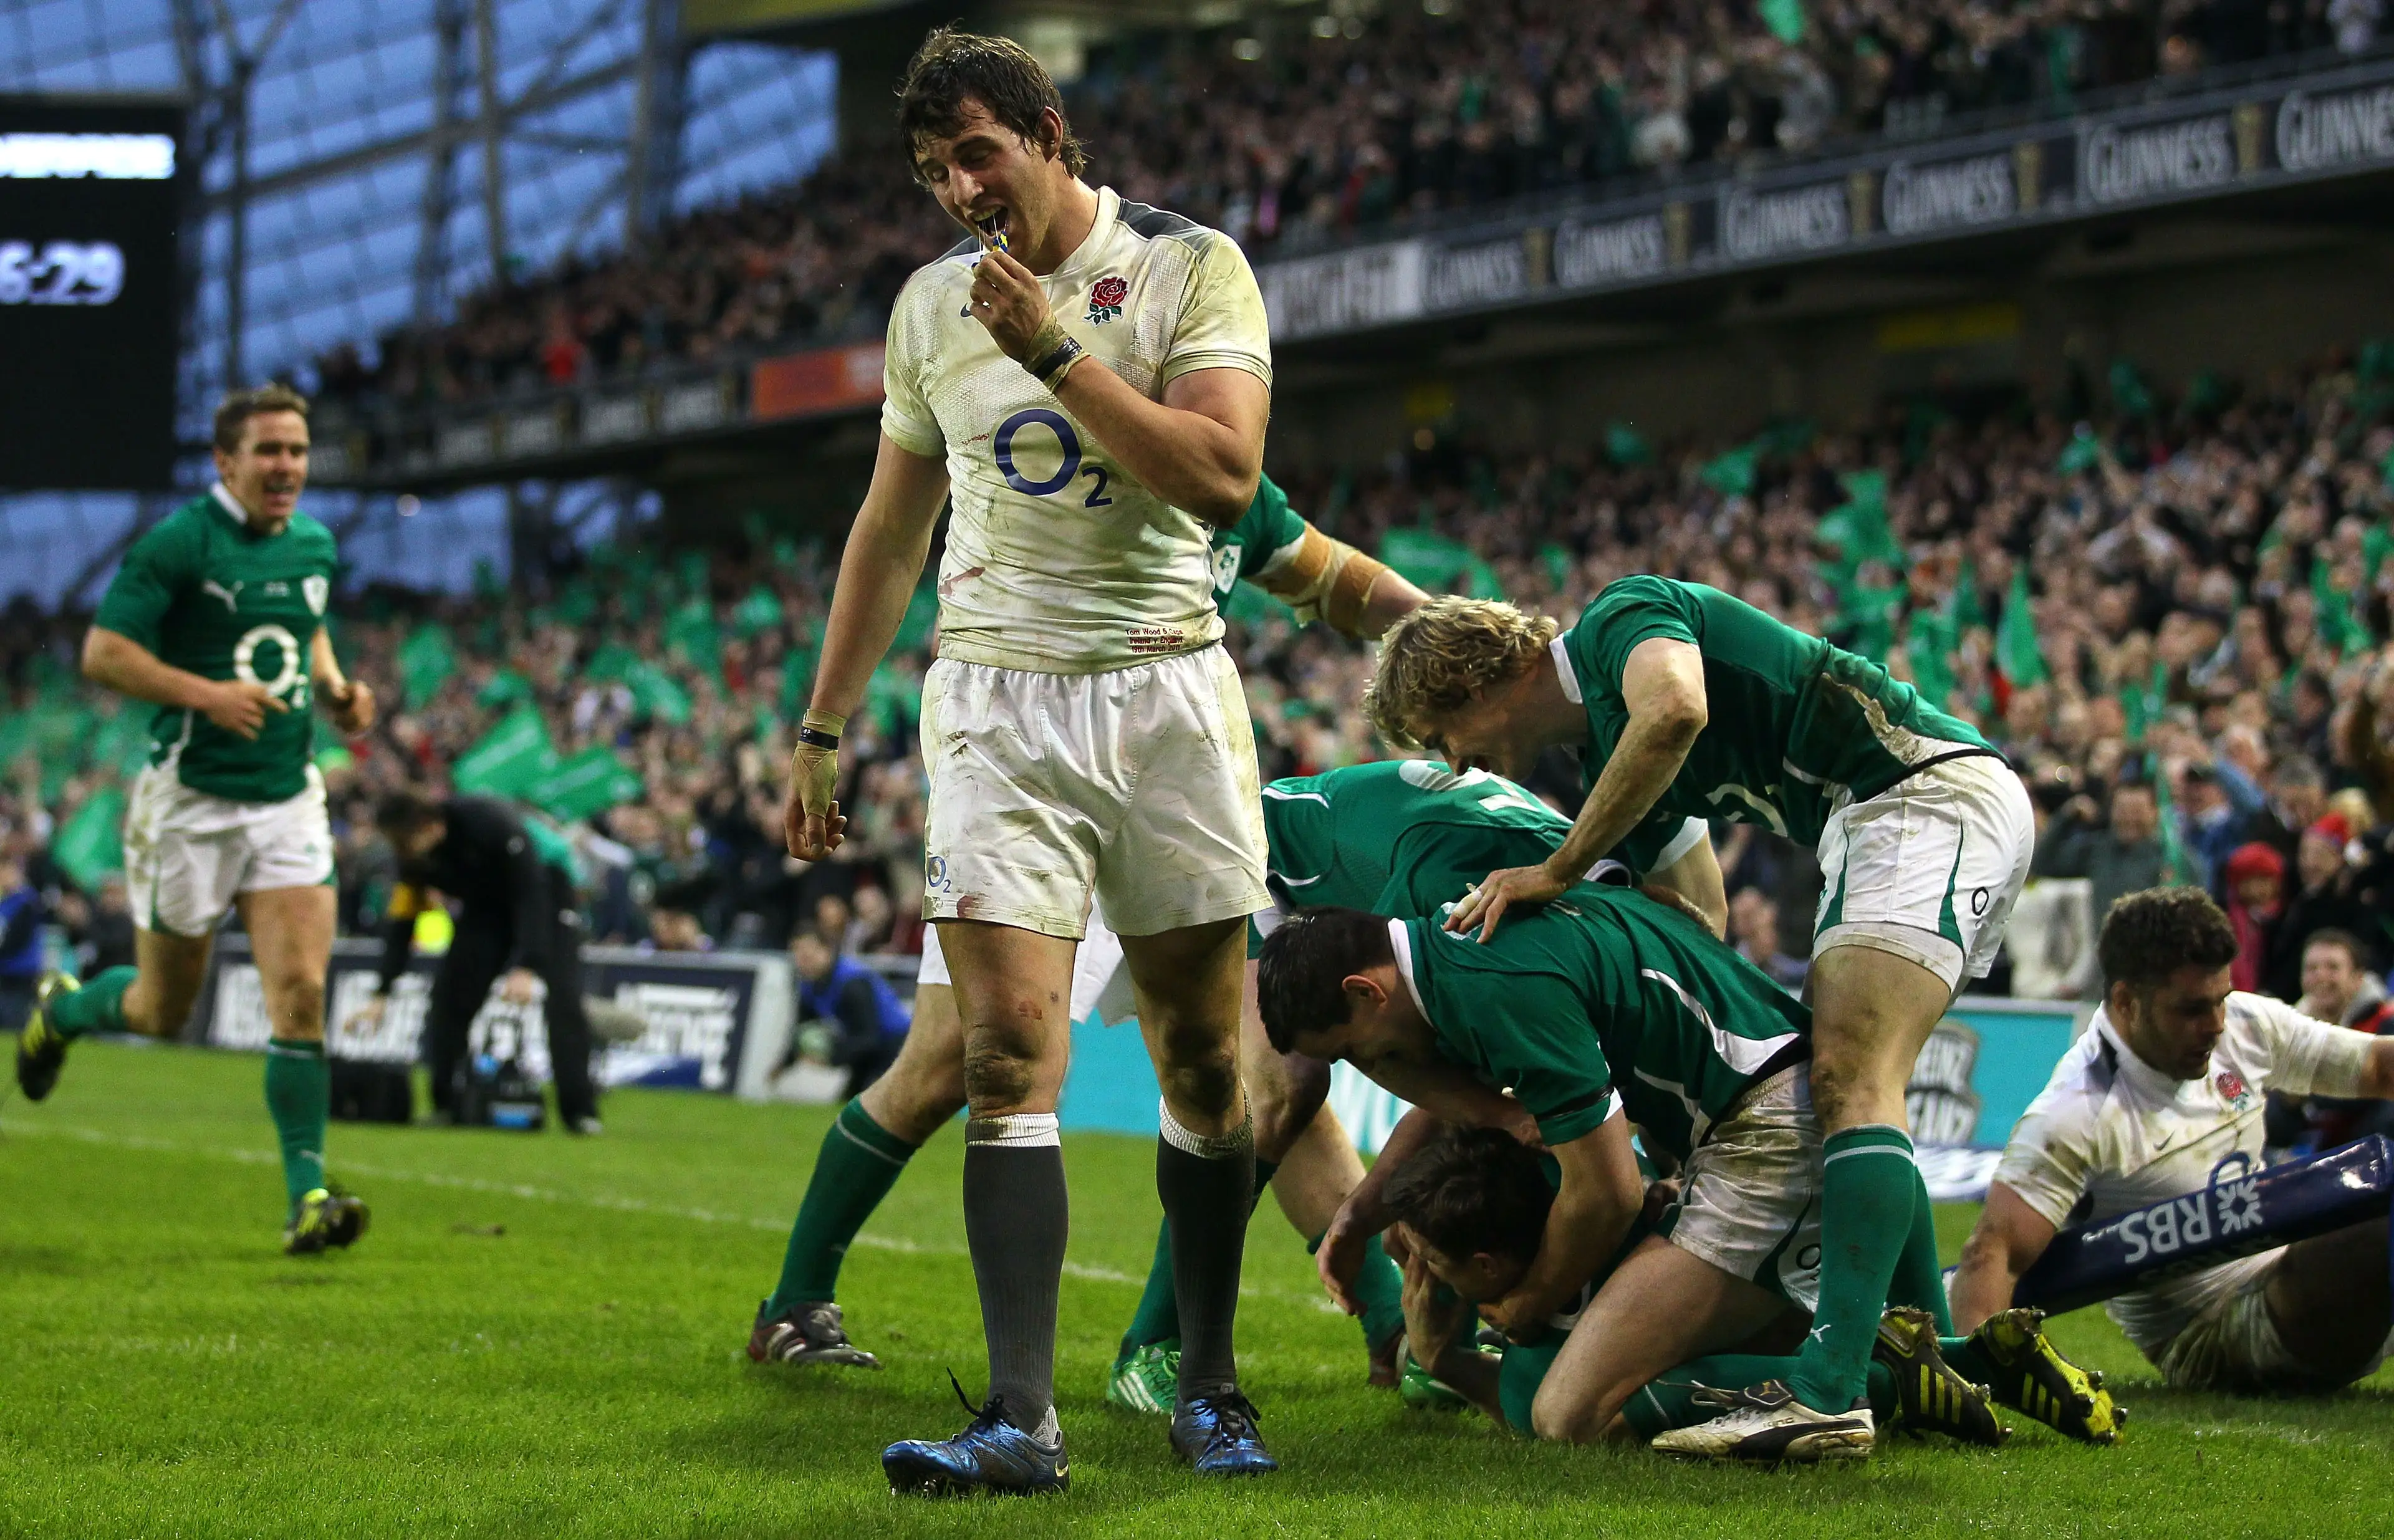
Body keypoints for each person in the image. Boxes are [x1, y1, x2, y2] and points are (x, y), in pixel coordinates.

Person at [781, 28, 1288, 1490]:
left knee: (1202, 1062)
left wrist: (1056, 348)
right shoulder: (930, 307)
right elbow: (888, 530)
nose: (955, 189)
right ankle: (1019, 1417)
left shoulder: (1191, 268)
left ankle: (1206, 1379)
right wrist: (821, 724)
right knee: (1005, 1050)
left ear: (1048, 134)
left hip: (1164, 694)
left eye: (976, 154)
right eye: (934, 169)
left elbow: (1220, 477)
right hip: (995, 703)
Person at [744, 479, 1437, 1392]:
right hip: (1027, 782)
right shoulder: (1057, 451)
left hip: (1168, 798)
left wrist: (1457, 626)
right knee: (947, 1064)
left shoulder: (1232, 488)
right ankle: (794, 1302)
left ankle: (1392, 1335)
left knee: (1248, 1070)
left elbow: (1341, 579)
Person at [1365, 578, 2037, 1459]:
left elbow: (1677, 707)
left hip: (1919, 792)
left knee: (1850, 1078)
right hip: (1886, 817)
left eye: (1441, 735)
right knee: (1843, 1079)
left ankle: (1833, 1386)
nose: (1456, 762)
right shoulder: (1610, 753)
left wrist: (1559, 870)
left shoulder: (1619, 620)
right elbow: (1695, 917)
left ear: (1466, 681)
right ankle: (1933, 1355)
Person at [1257, 894, 2106, 1458]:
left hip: (1762, 1137)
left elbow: (1606, 1192)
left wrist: (1517, 1310)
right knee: (1695, 1336)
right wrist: (1361, 1215)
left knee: (1568, 1411)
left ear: (1368, 993)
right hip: (1773, 1105)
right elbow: (1483, 1109)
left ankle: (1898, 1377)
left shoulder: (1491, 989)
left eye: (1356, 1053)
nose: (1378, 1068)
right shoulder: (1461, 932)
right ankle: (1964, 1358)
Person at [15, 385, 375, 1256]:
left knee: (300, 993)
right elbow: (104, 651)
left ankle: (309, 1195)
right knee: (161, 1009)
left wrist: (333, 688)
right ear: (226, 461)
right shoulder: (180, 541)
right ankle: (64, 1011)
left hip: (287, 797)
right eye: (269, 451)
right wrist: (206, 693)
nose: (287, 466)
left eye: (296, 450)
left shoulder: (316, 541)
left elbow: (309, 619)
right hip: (191, 808)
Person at [1384, 1126, 2105, 1449]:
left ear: (1485, 1266)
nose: (1416, 1274)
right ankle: (1946, 1352)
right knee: (1885, 1175)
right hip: (1835, 1218)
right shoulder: (1573, 1175)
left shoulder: (1534, 1370)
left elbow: (1525, 1406)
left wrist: (1447, 1360)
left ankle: (1911, 1382)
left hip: (1792, 1306)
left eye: (1424, 1262)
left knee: (1588, 1414)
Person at [1949, 888, 2394, 1395]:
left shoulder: (2245, 1024)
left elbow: (2379, 1066)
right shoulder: (2077, 1112)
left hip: (2288, 1274)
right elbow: (1993, 1255)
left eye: (2222, 1000)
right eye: (2192, 1010)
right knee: (2379, 1213)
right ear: (2125, 1001)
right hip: (2212, 1335)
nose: (2216, 1025)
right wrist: (1971, 1392)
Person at [358, 791, 600, 1134]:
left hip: (546, 887)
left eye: (402, 842)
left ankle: (579, 1112)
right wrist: (383, 989)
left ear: (429, 828)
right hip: (487, 906)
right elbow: (402, 925)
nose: (400, 852)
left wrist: (526, 965)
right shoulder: (413, 860)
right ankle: (445, 1103)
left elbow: (530, 894)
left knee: (563, 1000)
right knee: (451, 995)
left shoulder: (489, 822)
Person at [2277, 926, 2394, 1153]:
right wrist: (2288, 1104)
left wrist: (2306, 1092)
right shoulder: (2287, 1033)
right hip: (2312, 1169)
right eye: (2312, 968)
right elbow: (2276, 1130)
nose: (2320, 976)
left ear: (2358, 978)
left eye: (2332, 967)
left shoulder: (2387, 1024)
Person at [789, 927, 911, 1099]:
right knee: (849, 1107)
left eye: (808, 956)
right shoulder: (809, 985)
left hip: (894, 1045)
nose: (803, 962)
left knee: (879, 1107)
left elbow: (869, 1036)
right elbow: (802, 1026)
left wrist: (832, 1057)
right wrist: (786, 1062)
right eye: (799, 956)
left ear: (827, 951)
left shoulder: (852, 983)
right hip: (867, 1048)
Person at [2032, 779, 2170, 926]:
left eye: (2137, 811)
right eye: (2122, 810)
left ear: (2155, 813)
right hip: (2105, 945)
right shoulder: (2097, 849)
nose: (2129, 818)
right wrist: (2067, 817)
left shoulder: (2170, 857)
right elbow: (2042, 865)